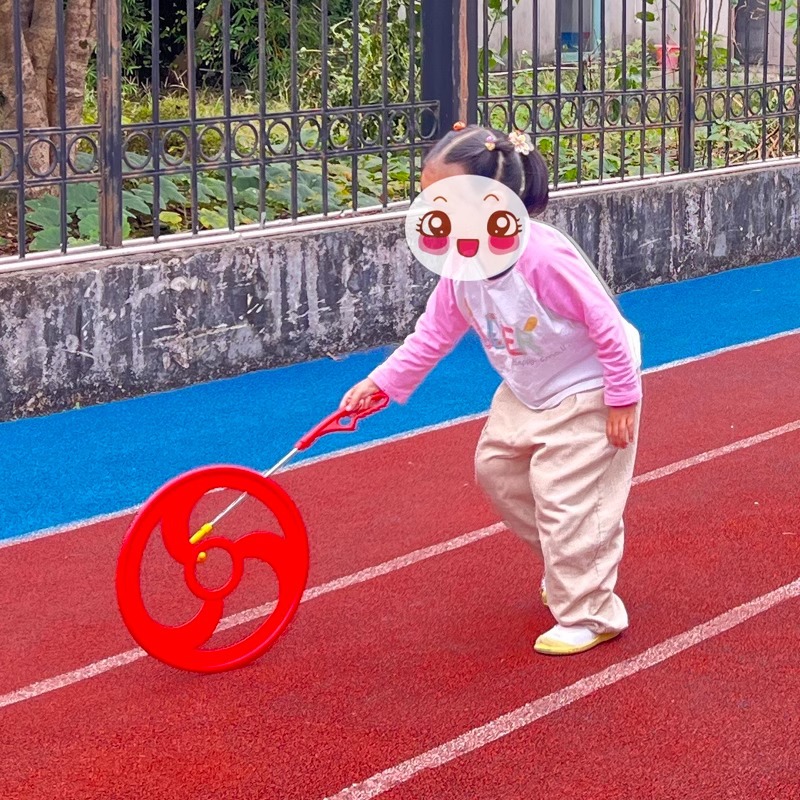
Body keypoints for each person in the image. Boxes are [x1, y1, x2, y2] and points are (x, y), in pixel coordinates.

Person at [341, 123, 642, 656]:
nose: (434, 213)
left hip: (588, 386)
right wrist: (379, 383)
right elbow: (431, 336)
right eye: (428, 199)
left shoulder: (542, 258)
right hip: (528, 388)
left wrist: (622, 397)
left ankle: (592, 612)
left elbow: (606, 323)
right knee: (496, 470)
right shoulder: (461, 269)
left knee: (566, 499)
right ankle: (571, 564)